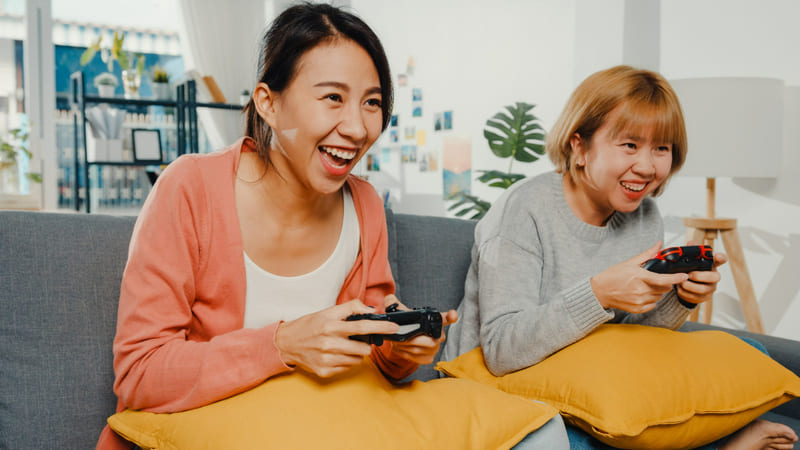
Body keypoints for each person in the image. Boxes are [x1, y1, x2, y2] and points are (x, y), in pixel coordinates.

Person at [96, 4, 568, 449]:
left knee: (540, 430)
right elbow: (140, 372)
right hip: (225, 428)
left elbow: (375, 347)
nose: (359, 128)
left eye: (372, 103)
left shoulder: (364, 204)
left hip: (338, 423)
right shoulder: (190, 188)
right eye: (332, 98)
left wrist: (397, 349)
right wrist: (283, 344)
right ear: (268, 103)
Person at [441, 65, 798, 450]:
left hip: (586, 380)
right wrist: (598, 295)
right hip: (492, 386)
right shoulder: (524, 209)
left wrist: (682, 298)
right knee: (572, 442)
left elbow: (637, 341)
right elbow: (502, 349)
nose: (646, 167)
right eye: (629, 145)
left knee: (752, 356)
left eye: (661, 148)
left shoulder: (645, 218)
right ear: (579, 146)